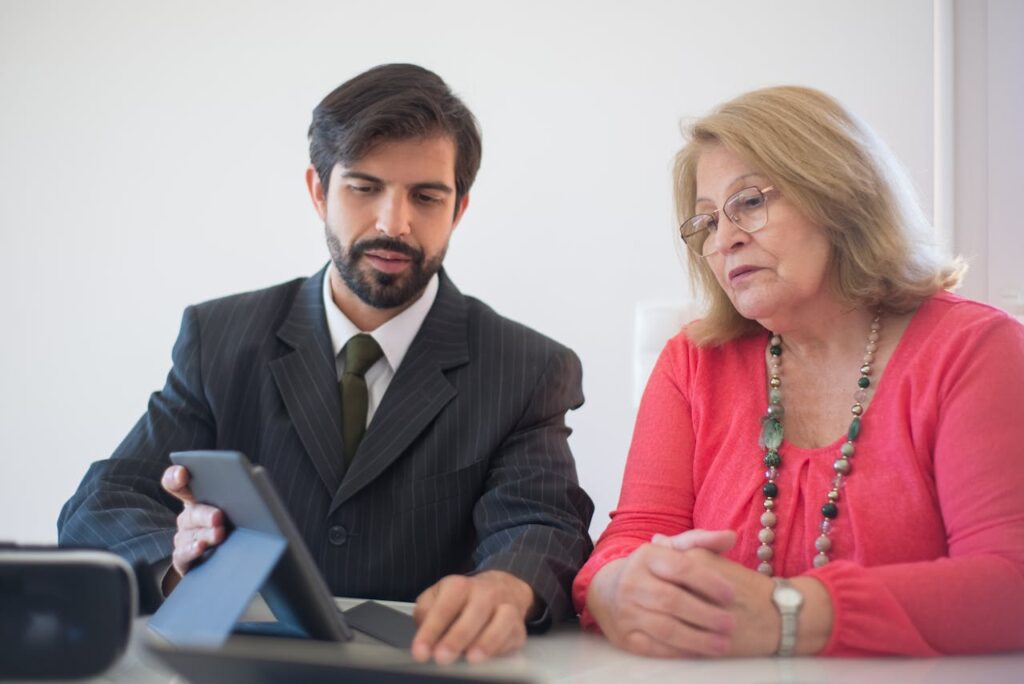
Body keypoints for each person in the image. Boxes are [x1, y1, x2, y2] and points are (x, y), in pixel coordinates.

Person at [58, 63, 594, 664]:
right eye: (364, 188)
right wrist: (176, 561)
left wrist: (505, 586)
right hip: (247, 667)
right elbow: (101, 504)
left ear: (459, 208)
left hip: (425, 667)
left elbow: (542, 522)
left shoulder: (528, 366)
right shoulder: (220, 338)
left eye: (426, 196)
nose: (395, 224)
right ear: (319, 190)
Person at [573, 85, 1024, 657]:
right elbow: (634, 537)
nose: (726, 238)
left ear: (839, 194)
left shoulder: (975, 349)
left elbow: (1010, 583)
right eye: (706, 223)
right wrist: (616, 589)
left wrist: (786, 613)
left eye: (750, 202)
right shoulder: (692, 363)